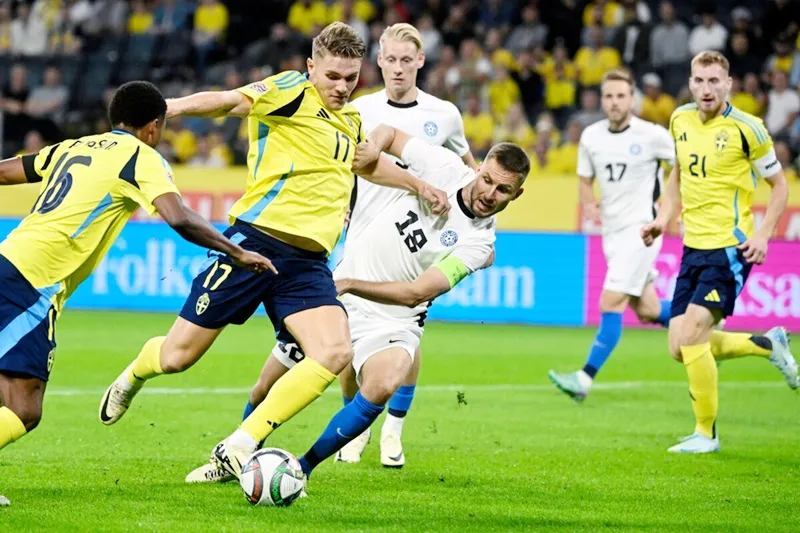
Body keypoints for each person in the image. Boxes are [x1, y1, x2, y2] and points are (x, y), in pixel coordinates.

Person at [98, 23, 449, 478]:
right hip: (253, 244)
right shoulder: (291, 92)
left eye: (350, 78)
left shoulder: (350, 120)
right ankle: (134, 374)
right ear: (311, 68)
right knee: (177, 357)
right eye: (332, 76)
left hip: (307, 264)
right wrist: (167, 108)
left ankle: (238, 446)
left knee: (334, 352)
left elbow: (368, 165)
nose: (342, 87)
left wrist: (418, 184)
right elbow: (229, 102)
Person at [184, 22, 476, 483]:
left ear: (421, 61)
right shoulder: (357, 109)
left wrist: (466, 212)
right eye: (391, 59)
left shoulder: (446, 115)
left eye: (407, 59)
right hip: (344, 255)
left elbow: (469, 172)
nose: (398, 68)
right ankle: (239, 450)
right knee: (278, 375)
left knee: (395, 350)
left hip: (399, 260)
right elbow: (353, 160)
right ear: (379, 61)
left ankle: (390, 432)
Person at [198, 129, 527, 487]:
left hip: (393, 318)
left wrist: (352, 284)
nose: (489, 194)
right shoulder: (443, 166)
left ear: (517, 194)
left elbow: (416, 293)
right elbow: (390, 135)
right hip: (340, 296)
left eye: (503, 190)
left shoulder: (480, 243)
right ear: (478, 169)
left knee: (383, 384)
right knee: (265, 386)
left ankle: (300, 470)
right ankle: (233, 456)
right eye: (488, 180)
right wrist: (379, 155)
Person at [0, 81, 273, 506]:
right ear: (153, 126)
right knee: (24, 409)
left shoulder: (74, 146)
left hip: (9, 258)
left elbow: (4, 171)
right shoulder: (141, 157)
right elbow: (178, 217)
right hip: (32, 282)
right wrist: (236, 251)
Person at [641, 51, 798, 454]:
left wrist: (763, 235)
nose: (706, 89)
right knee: (679, 347)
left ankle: (705, 434)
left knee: (694, 332)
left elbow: (779, 186)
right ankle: (767, 344)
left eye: (714, 81)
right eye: (699, 80)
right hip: (692, 246)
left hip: (730, 247)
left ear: (728, 84)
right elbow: (677, 174)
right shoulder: (680, 119)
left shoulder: (749, 128)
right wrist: (663, 217)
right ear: (690, 83)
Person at [548, 69, 675, 401]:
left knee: (610, 301)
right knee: (648, 310)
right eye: (609, 96)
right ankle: (704, 318)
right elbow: (584, 180)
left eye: (621, 96)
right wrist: (588, 203)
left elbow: (681, 170)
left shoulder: (653, 135)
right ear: (602, 100)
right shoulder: (591, 137)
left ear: (632, 99)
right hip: (612, 235)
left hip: (642, 231)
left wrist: (667, 211)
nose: (615, 102)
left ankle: (584, 379)